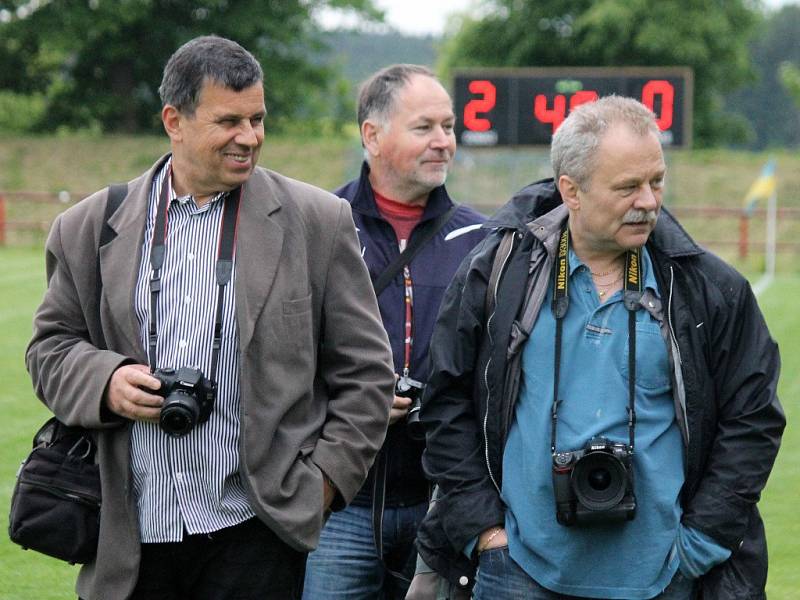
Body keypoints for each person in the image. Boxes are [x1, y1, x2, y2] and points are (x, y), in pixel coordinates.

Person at [26, 35, 396, 600]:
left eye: (258, 119)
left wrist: (319, 487)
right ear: (174, 120)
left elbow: (367, 375)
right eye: (229, 121)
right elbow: (49, 349)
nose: (249, 138)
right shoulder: (89, 225)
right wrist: (106, 382)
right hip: (129, 535)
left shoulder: (318, 221)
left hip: (256, 531)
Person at [415, 96, 785, 599]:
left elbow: (753, 420)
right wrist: (486, 534)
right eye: (628, 187)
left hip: (663, 576)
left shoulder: (708, 289)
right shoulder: (497, 274)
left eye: (656, 181)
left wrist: (699, 544)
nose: (650, 202)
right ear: (572, 191)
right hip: (519, 571)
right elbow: (446, 402)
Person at [302, 64, 486, 600]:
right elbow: (277, 354)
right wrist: (352, 403)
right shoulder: (316, 226)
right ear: (372, 135)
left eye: (449, 127)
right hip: (340, 504)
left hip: (444, 502)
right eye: (424, 127)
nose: (443, 142)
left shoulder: (484, 237)